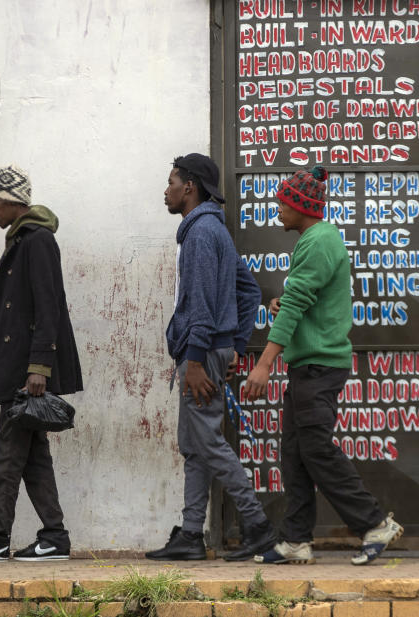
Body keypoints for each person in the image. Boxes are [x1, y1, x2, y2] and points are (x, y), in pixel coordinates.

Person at [243, 165, 402, 566]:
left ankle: (374, 523)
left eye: (283, 201)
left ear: (300, 206)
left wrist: (263, 365)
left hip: (319, 367)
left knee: (316, 449)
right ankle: (296, 540)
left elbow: (297, 301)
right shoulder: (316, 239)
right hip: (307, 366)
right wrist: (283, 302)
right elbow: (302, 298)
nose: (277, 207)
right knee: (295, 453)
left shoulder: (318, 241)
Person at [145, 153, 276, 563]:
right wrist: (236, 345)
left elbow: (200, 304)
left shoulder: (200, 233)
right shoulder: (211, 231)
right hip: (210, 349)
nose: (165, 190)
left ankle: (258, 529)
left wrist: (198, 360)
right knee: (195, 445)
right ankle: (190, 534)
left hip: (199, 354)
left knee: (209, 442)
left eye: (171, 182)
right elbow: (249, 291)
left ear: (190, 187)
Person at [0, 165, 83, 563]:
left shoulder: (37, 241)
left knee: (7, 458)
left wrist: (39, 368)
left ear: (12, 202)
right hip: (20, 369)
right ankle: (54, 536)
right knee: (33, 460)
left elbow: (49, 307)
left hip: (27, 373)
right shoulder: (22, 240)